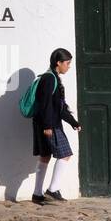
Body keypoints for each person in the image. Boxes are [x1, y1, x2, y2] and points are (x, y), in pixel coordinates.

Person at [31, 48, 82, 205]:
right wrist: (47, 126)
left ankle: (37, 194)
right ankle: (52, 190)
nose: (68, 66)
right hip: (49, 125)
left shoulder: (53, 78)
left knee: (45, 156)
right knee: (65, 154)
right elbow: (45, 104)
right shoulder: (49, 79)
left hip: (47, 123)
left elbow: (60, 107)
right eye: (67, 63)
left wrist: (73, 122)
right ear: (58, 63)